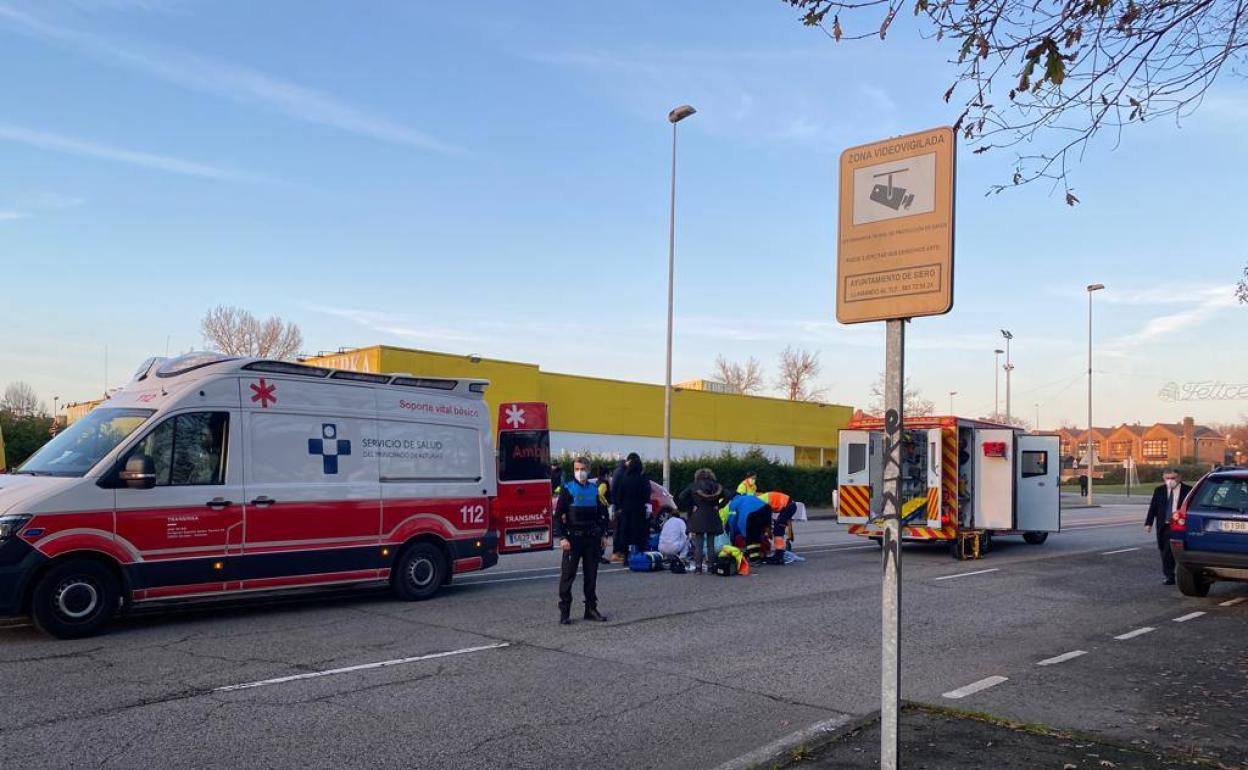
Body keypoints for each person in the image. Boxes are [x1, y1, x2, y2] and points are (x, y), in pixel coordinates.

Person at [554, 457, 609, 624]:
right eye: (576, 469)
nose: (579, 472)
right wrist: (563, 537)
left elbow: (602, 515)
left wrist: (603, 534)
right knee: (568, 576)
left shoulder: (594, 490)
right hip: (573, 539)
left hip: (591, 539)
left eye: (582, 468)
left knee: (591, 576)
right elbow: (557, 516)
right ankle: (565, 613)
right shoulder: (568, 489)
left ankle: (591, 609)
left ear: (588, 470)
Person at [1145, 469, 1191, 585]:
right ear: (1163, 478)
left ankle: (1187, 575)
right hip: (1165, 526)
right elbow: (1153, 507)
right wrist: (1148, 523)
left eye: (1173, 478)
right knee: (1165, 552)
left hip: (1181, 526)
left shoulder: (1188, 490)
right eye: (1167, 478)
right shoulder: (1159, 490)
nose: (1170, 481)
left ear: (1179, 478)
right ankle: (1169, 576)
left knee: (1183, 550)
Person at [679, 468, 729, 574]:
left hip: (698, 515)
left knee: (699, 544)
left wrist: (692, 504)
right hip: (713, 515)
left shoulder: (693, 485)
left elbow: (681, 496)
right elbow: (729, 495)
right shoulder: (717, 486)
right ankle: (710, 567)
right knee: (711, 544)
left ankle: (698, 568)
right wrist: (719, 506)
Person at [613, 454, 651, 559]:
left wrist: (620, 506)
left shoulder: (624, 478)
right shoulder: (642, 479)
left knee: (626, 533)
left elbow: (619, 495)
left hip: (626, 510)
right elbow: (646, 495)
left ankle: (626, 555)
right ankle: (639, 555)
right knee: (638, 533)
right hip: (639, 510)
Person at [609, 457, 631, 562]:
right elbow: (617, 491)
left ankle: (617, 552)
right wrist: (618, 506)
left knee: (618, 530)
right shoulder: (621, 473)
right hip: (620, 506)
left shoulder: (617, 472)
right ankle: (617, 552)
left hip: (617, 506)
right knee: (620, 530)